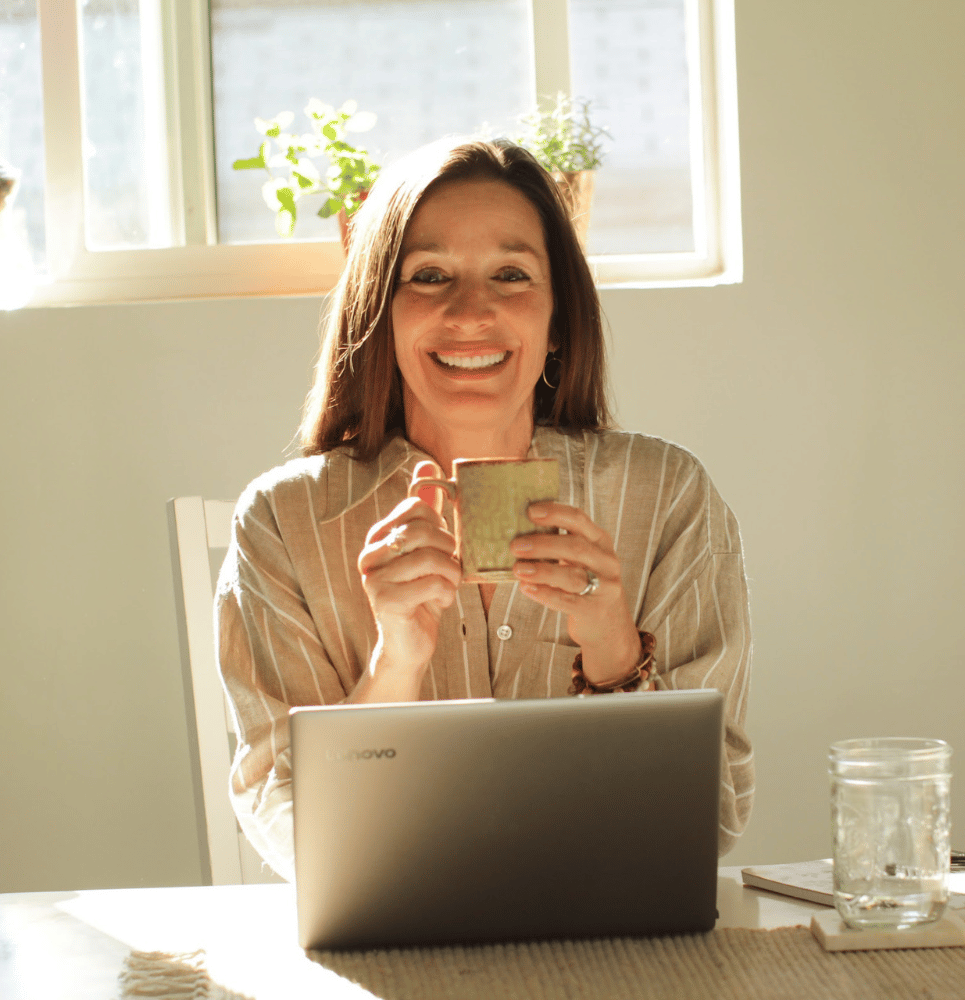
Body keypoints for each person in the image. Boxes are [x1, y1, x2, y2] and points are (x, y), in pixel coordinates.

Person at [215, 138, 753, 883]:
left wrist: (612, 648)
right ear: (381, 314)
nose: (472, 311)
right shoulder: (280, 520)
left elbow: (711, 820)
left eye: (511, 274)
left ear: (558, 318)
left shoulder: (669, 496)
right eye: (429, 276)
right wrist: (394, 663)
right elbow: (295, 836)